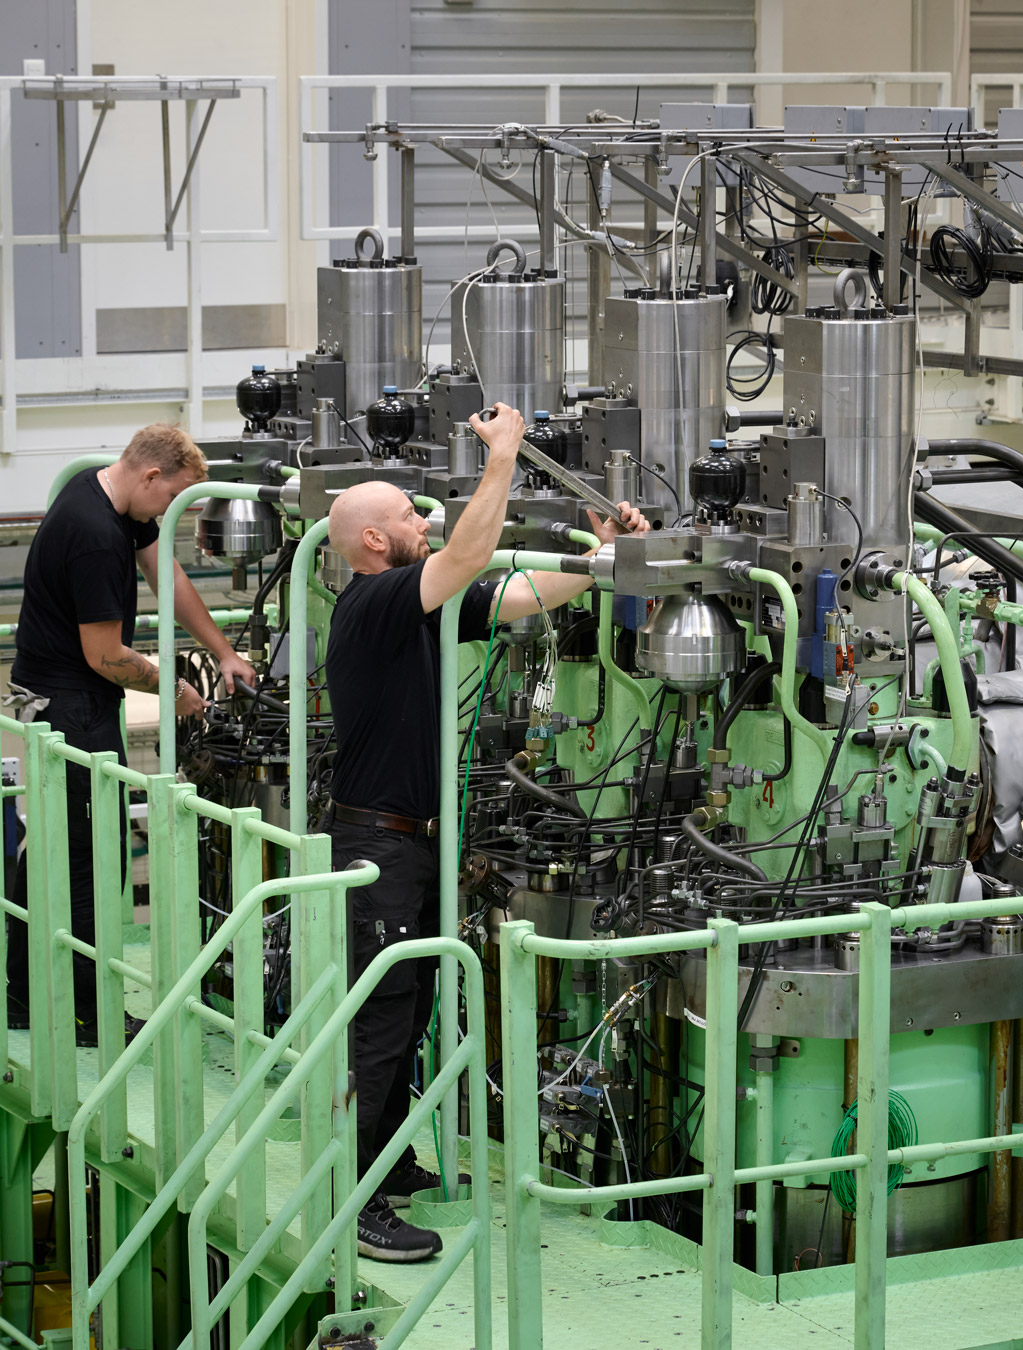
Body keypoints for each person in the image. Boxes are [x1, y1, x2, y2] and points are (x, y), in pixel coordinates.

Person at [323, 402, 649, 1262]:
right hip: (377, 847)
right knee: (380, 1020)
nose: (423, 522)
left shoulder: (419, 608)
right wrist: (502, 456)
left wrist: (598, 560)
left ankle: (386, 1163)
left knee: (410, 1004)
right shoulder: (373, 603)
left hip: (415, 842)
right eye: (408, 516)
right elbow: (470, 555)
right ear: (374, 543)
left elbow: (515, 594)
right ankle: (353, 1204)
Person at [5, 423, 255, 1042]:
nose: (169, 512)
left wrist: (222, 651)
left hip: (61, 698)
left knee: (56, 847)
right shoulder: (93, 534)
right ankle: (86, 1013)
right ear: (150, 475)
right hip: (71, 709)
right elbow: (105, 656)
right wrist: (175, 690)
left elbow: (164, 573)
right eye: (170, 498)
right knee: (89, 858)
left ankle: (23, 995)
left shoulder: (103, 493)